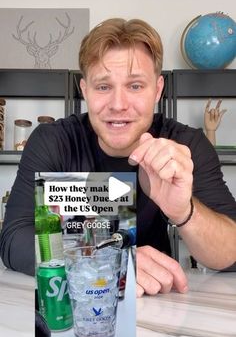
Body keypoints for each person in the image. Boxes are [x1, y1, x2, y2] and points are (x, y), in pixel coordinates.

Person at [0, 18, 236, 296]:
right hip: (79, 301)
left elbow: (231, 254)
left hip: (161, 301)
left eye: (135, 86)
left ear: (158, 90)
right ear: (85, 89)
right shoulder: (52, 141)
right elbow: (14, 239)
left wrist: (184, 211)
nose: (118, 104)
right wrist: (114, 261)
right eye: (103, 87)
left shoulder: (187, 145)